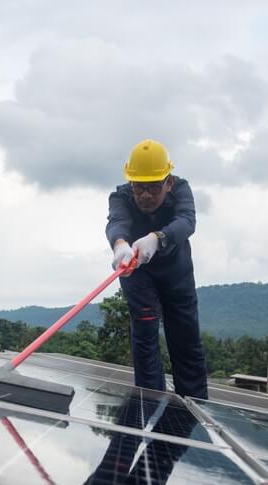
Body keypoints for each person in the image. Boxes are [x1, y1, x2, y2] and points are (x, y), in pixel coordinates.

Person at [105, 139, 208, 399]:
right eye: (139, 188)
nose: (146, 196)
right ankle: (148, 405)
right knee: (145, 334)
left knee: (186, 338)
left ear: (168, 182)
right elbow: (117, 222)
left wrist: (158, 238)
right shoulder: (120, 196)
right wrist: (119, 245)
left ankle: (193, 413)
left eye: (153, 188)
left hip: (177, 274)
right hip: (137, 273)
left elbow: (187, 221)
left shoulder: (182, 190)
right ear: (131, 183)